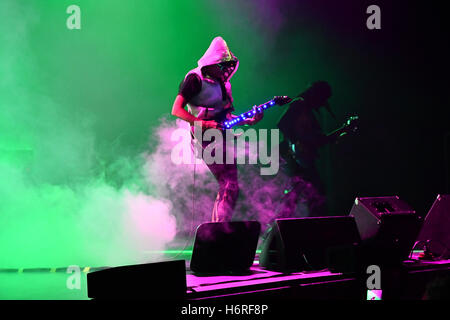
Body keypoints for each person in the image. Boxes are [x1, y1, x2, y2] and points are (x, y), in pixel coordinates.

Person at [171, 36, 263, 222]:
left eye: (228, 65)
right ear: (212, 62)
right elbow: (176, 109)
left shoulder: (224, 85)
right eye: (222, 65)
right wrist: (202, 123)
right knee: (229, 184)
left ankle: (220, 228)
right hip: (203, 138)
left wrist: (247, 121)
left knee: (231, 186)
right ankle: (218, 230)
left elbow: (226, 118)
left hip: (222, 137)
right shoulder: (194, 79)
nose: (225, 69)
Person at [276, 81, 334, 218]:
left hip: (301, 157)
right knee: (311, 190)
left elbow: (314, 139)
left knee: (301, 192)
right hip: (293, 157)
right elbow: (282, 124)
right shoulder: (299, 104)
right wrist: (294, 144)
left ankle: (280, 223)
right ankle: (278, 225)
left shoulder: (306, 109)